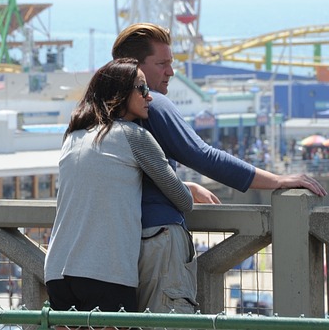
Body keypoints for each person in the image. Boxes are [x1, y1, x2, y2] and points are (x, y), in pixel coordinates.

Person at [111, 22, 327, 315]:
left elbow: (131, 175)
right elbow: (203, 155)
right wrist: (277, 179)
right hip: (158, 241)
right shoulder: (154, 102)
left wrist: (185, 186)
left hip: (116, 246)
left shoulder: (102, 111)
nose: (170, 72)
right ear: (134, 67)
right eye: (162, 64)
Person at [44, 58, 194, 313]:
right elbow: (184, 200)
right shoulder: (134, 136)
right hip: (105, 270)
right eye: (143, 89)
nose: (150, 97)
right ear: (121, 93)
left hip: (57, 271)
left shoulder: (73, 136)